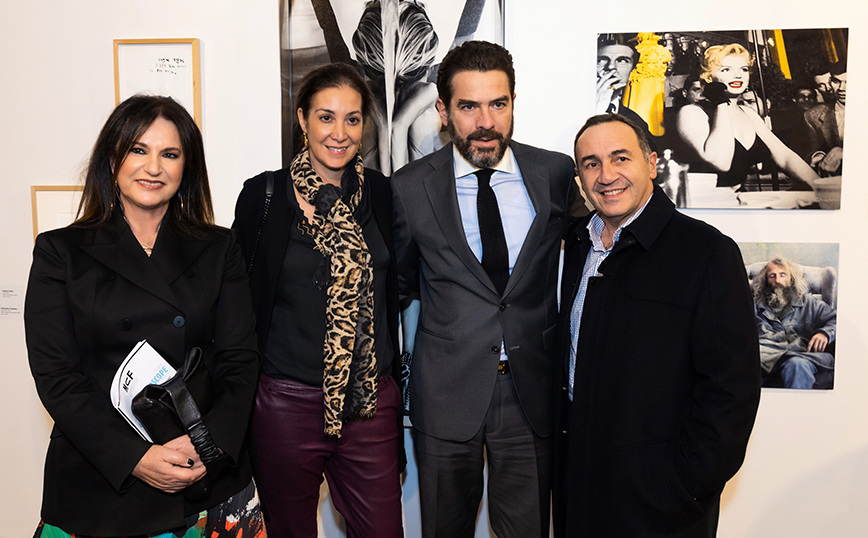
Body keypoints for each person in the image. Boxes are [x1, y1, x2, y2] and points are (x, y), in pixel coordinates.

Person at [24, 95, 263, 537]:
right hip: (102, 477)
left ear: (187, 167)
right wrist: (135, 458)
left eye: (170, 154)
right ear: (112, 159)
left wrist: (207, 445)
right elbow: (57, 376)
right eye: (138, 149)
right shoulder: (61, 252)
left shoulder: (219, 248)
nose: (153, 167)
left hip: (205, 475)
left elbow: (240, 359)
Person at [392, 40, 580, 538]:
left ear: (514, 102)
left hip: (531, 392)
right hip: (445, 394)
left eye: (498, 104)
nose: (486, 122)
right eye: (469, 106)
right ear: (443, 111)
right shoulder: (410, 188)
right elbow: (401, 285)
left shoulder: (555, 173)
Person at [554, 113, 761, 537]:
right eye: (591, 163)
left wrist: (683, 487)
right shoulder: (575, 245)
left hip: (663, 507)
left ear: (651, 164)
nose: (606, 175)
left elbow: (732, 387)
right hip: (581, 489)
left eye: (620, 158)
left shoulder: (706, 251)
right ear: (579, 178)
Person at [233, 62, 404, 538]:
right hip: (286, 405)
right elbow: (237, 298)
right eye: (326, 117)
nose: (339, 133)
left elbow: (398, 283)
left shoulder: (381, 193)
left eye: (352, 119)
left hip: (368, 403)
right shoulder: (264, 195)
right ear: (302, 120)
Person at [676, 43, 819, 189]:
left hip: (740, 198)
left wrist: (821, 186)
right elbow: (721, 162)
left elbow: (785, 157)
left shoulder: (748, 113)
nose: (738, 75)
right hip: (706, 199)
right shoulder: (691, 112)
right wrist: (720, 102)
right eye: (726, 70)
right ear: (709, 77)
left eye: (743, 69)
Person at [752, 258, 836, 389]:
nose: (777, 280)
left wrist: (825, 333)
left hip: (799, 355)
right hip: (764, 358)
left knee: (797, 366)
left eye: (782, 275)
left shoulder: (810, 303)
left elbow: (836, 320)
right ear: (765, 280)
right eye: (772, 276)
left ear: (791, 278)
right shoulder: (753, 305)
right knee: (747, 368)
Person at [595, 36, 650, 134]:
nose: (611, 66)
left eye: (622, 61)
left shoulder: (637, 123)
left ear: (631, 70)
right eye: (601, 60)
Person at [804, 61, 846, 176]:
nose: (842, 88)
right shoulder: (813, 115)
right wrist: (818, 155)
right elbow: (808, 150)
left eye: (848, 82)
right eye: (836, 81)